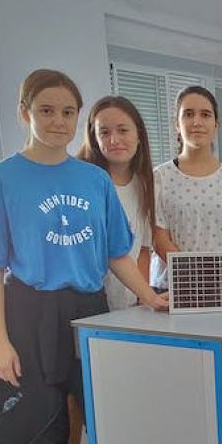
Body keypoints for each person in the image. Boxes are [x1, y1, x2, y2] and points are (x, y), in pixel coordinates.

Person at [0, 69, 168, 444]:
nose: (59, 121)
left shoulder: (93, 180)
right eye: (47, 110)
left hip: (89, 308)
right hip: (28, 311)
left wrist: (151, 298)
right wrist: (0, 341)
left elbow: (119, 254)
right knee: (47, 430)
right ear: (24, 113)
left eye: (69, 112)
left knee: (108, 422)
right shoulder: (1, 179)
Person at [151, 86, 222, 289]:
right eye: (188, 114)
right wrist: (194, 275)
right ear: (177, 125)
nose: (197, 122)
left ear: (216, 124)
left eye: (205, 115)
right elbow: (160, 240)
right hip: (173, 287)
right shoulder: (160, 177)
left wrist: (219, 277)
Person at [78, 95, 155, 310]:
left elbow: (143, 250)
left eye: (123, 130)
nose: (114, 140)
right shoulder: (81, 182)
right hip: (89, 303)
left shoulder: (145, 184)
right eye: (104, 132)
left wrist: (142, 298)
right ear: (94, 138)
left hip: (129, 305)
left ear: (139, 135)